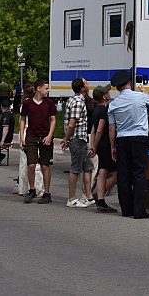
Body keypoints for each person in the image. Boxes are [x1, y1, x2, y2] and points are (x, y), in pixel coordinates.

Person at [108, 70, 149, 219]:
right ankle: (139, 210)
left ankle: (126, 209)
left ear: (117, 87)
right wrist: (146, 92)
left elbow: (112, 128)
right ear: (130, 83)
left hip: (122, 139)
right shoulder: (140, 97)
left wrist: (113, 146)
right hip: (139, 138)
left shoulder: (113, 104)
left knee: (123, 175)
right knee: (139, 174)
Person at [20, 79, 57, 204]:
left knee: (45, 165)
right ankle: (32, 189)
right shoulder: (28, 103)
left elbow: (53, 120)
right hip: (31, 136)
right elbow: (22, 119)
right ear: (38, 88)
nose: (48, 90)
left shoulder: (49, 103)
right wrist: (21, 136)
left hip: (45, 136)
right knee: (31, 164)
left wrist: (50, 135)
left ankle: (47, 193)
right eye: (46, 88)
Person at [60, 77, 94, 208]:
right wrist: (66, 139)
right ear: (82, 88)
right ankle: (72, 198)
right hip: (77, 138)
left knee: (87, 167)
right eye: (86, 83)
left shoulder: (75, 100)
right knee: (75, 168)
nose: (88, 84)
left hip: (81, 138)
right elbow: (72, 123)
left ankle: (89, 197)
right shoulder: (78, 102)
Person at [89, 85, 117, 212]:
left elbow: (93, 130)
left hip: (99, 145)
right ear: (104, 96)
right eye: (108, 92)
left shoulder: (95, 110)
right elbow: (100, 129)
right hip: (105, 144)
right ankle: (100, 195)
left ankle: (100, 200)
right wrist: (111, 145)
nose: (109, 93)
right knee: (116, 173)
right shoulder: (105, 110)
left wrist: (93, 146)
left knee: (102, 171)